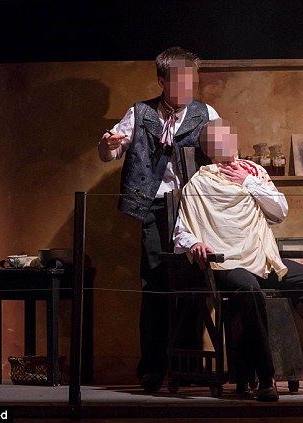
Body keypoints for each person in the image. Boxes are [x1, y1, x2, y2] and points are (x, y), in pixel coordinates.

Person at [173, 119, 303, 402]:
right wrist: (194, 243)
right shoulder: (198, 183)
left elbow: (279, 212)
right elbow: (182, 230)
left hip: (264, 258)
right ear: (208, 148)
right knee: (248, 288)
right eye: (218, 139)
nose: (227, 142)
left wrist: (248, 182)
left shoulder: (255, 173)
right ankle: (265, 378)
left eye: (230, 136)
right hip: (228, 263)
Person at [98, 47, 220, 392]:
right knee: (154, 285)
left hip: (195, 209)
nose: (188, 87)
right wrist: (108, 144)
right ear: (162, 81)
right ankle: (152, 369)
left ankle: (188, 367)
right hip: (153, 209)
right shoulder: (140, 112)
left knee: (194, 285)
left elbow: (225, 154)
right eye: (180, 81)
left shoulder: (206, 113)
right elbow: (109, 152)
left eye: (191, 80)